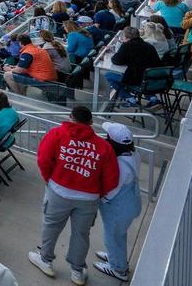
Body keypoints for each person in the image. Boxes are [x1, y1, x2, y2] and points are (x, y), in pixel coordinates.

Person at [30, 106, 119, 285]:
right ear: (91, 124)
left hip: (59, 191)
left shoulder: (57, 134)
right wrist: (97, 193)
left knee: (51, 226)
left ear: (71, 118)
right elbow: (111, 179)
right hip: (88, 198)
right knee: (81, 234)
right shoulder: (104, 147)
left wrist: (50, 180)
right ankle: (77, 271)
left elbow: (43, 159)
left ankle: (46, 260)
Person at [93, 123, 142, 281]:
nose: (105, 138)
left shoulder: (120, 165)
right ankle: (117, 258)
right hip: (131, 203)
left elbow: (112, 188)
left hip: (118, 208)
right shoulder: (134, 155)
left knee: (112, 236)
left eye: (107, 137)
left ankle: (118, 269)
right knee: (119, 234)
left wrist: (102, 198)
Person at [107, 26, 162, 105]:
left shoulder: (126, 46)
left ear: (126, 37)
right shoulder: (149, 46)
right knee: (142, 79)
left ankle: (130, 98)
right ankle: (152, 98)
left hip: (136, 80)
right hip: (151, 80)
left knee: (109, 75)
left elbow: (116, 60)